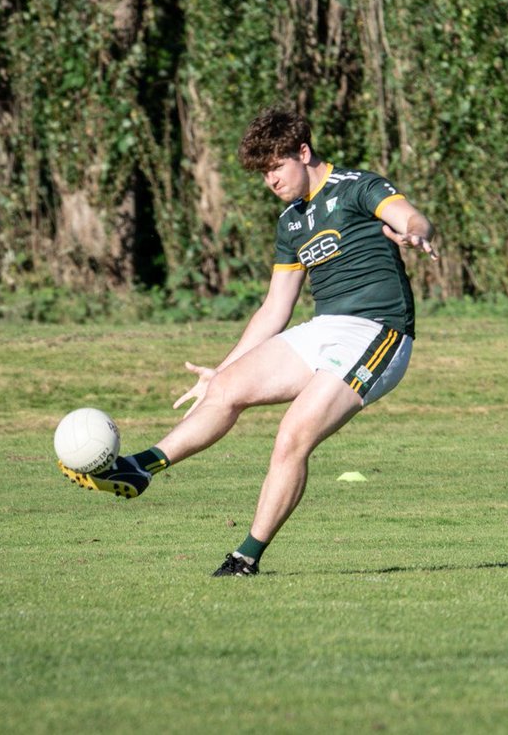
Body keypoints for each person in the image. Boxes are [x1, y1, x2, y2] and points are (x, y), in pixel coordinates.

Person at [59, 108, 437, 576]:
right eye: (264, 173)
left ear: (303, 152)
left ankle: (245, 558)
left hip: (379, 331)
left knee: (292, 436)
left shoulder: (358, 187)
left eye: (277, 167)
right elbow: (275, 308)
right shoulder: (291, 221)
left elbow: (410, 216)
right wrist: (221, 370)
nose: (271, 181)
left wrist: (415, 234)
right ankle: (137, 469)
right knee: (225, 390)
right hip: (326, 328)